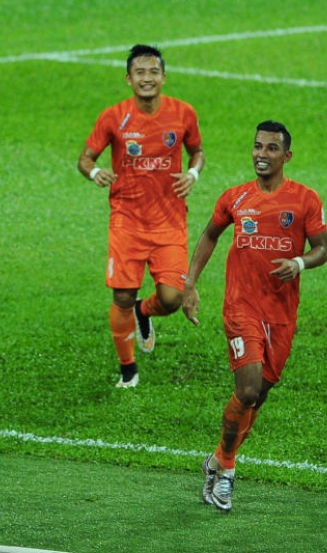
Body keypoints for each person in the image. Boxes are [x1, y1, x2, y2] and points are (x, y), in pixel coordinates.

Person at [182, 121, 327, 512]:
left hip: (281, 313)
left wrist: (298, 262)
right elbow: (210, 235)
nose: (262, 155)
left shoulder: (305, 200)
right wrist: (189, 283)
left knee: (259, 394)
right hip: (241, 306)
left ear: (286, 156)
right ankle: (228, 471)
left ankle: (216, 460)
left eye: (271, 148)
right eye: (258, 147)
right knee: (247, 389)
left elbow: (322, 249)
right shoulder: (235, 197)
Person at [77, 44, 205, 388]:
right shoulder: (114, 116)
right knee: (121, 296)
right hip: (127, 222)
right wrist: (95, 173)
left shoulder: (183, 113)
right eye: (140, 73)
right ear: (128, 79)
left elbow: (197, 152)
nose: (147, 78)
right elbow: (85, 159)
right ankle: (128, 370)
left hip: (170, 222)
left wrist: (192, 174)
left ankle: (143, 311)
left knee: (172, 298)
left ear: (163, 77)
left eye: (153, 72)